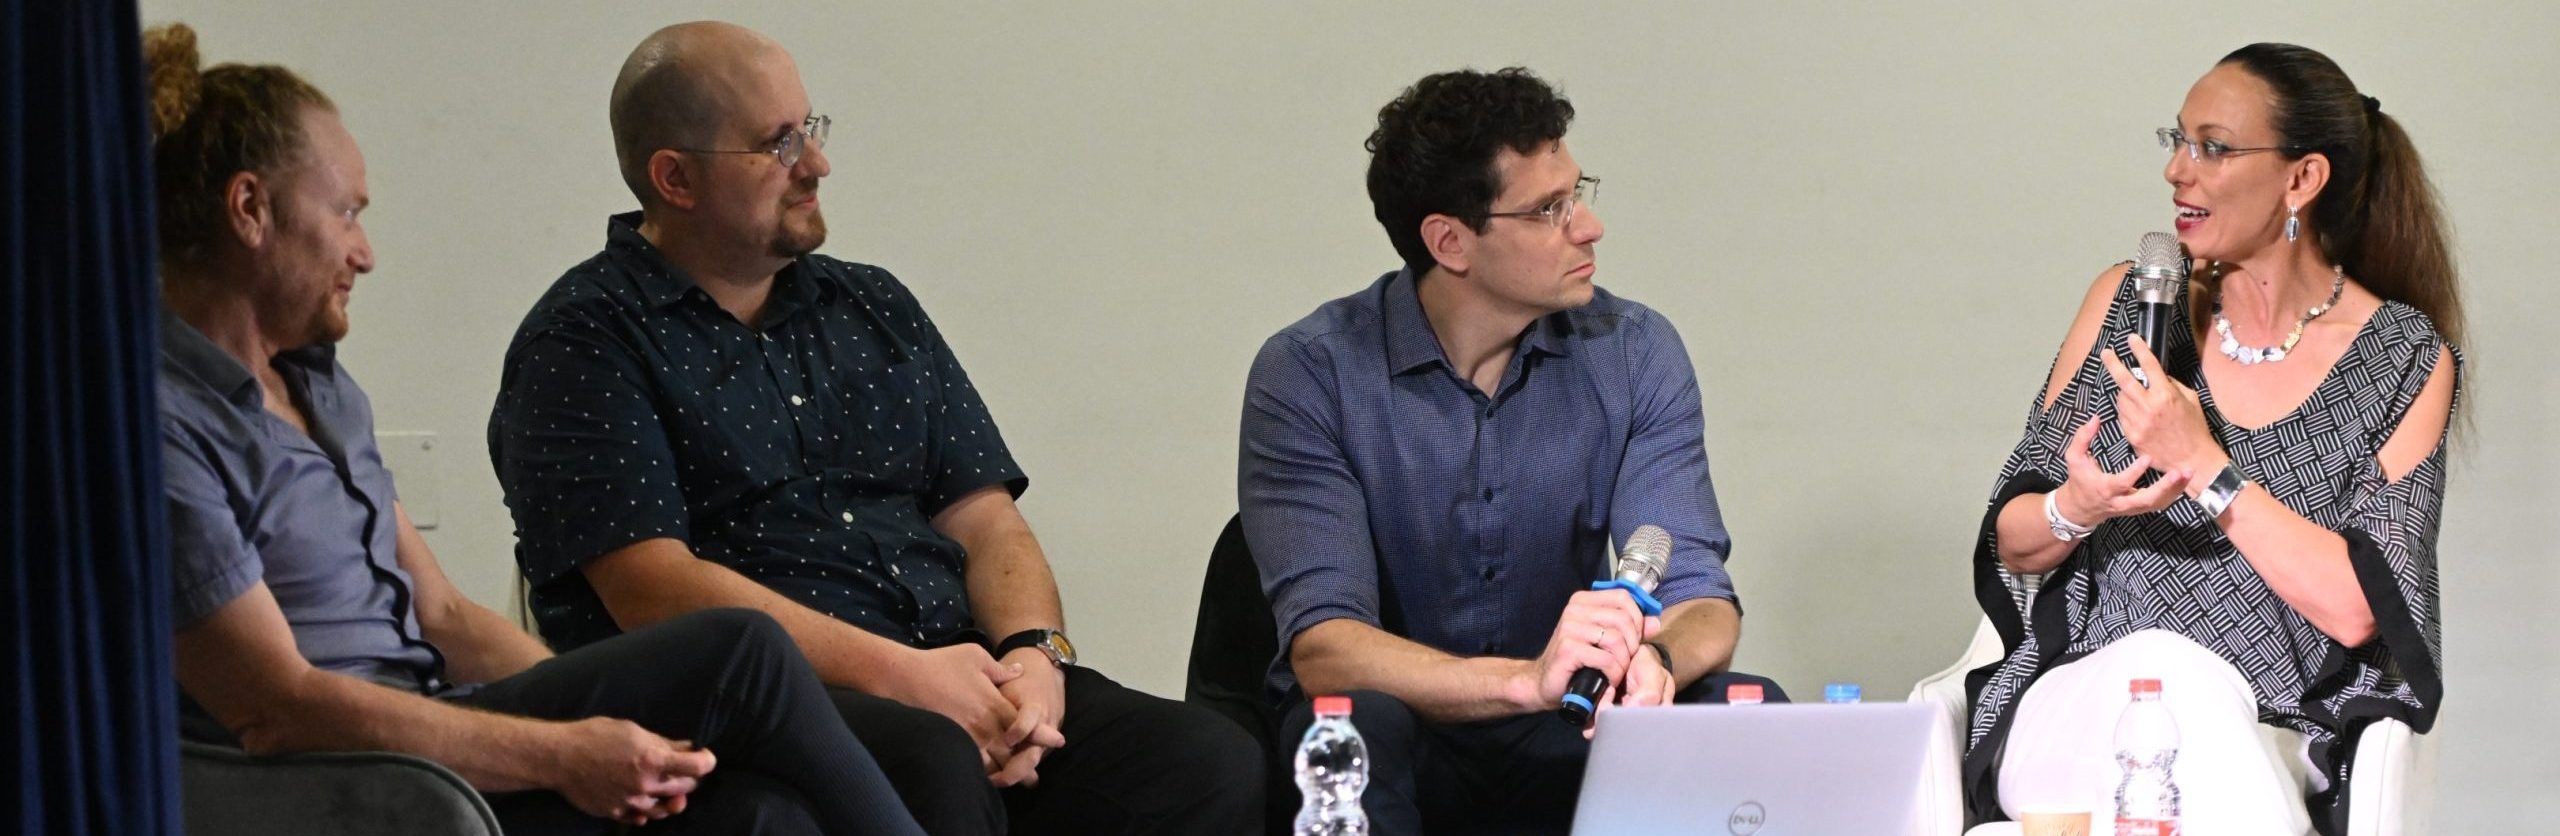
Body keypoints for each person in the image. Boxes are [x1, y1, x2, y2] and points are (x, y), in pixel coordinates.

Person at [486, 21, 1260, 835]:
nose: (816, 165)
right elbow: (652, 587)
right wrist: (907, 677)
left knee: (1207, 763)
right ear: (674, 178)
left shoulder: (873, 305)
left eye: (810, 130)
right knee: (934, 761)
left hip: (958, 664)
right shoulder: (582, 341)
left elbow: (988, 517)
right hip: (769, 704)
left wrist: (1036, 656)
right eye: (778, 144)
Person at [145, 24, 921, 836]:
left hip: (440, 722)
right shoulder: (161, 434)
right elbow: (279, 709)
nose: (365, 253)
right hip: (349, 784)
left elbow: (441, 615)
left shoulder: (322, 388)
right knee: (740, 653)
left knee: (762, 816)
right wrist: (561, 753)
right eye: (345, 213)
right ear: (250, 210)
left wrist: (601, 720)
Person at [1237, 67, 1779, 835]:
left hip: (1570, 722)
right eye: (1549, 209)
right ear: (1450, 241)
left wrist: (1655, 663)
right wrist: (1526, 681)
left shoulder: (1634, 351)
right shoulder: (1312, 372)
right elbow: (1327, 648)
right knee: (1350, 725)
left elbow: (1701, 601)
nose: (1587, 227)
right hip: (1406, 730)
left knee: (1739, 710)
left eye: (1578, 192)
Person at [1966, 43, 2462, 835]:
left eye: (2214, 147)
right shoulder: (2128, 304)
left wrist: (2203, 463)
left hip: (2263, 729)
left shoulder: (2401, 357)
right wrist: (2077, 507)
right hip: (2089, 705)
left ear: (2302, 179)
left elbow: (2360, 609)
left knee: (2192, 702)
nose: (2177, 171)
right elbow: (2012, 543)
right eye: (2177, 141)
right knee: (2155, 671)